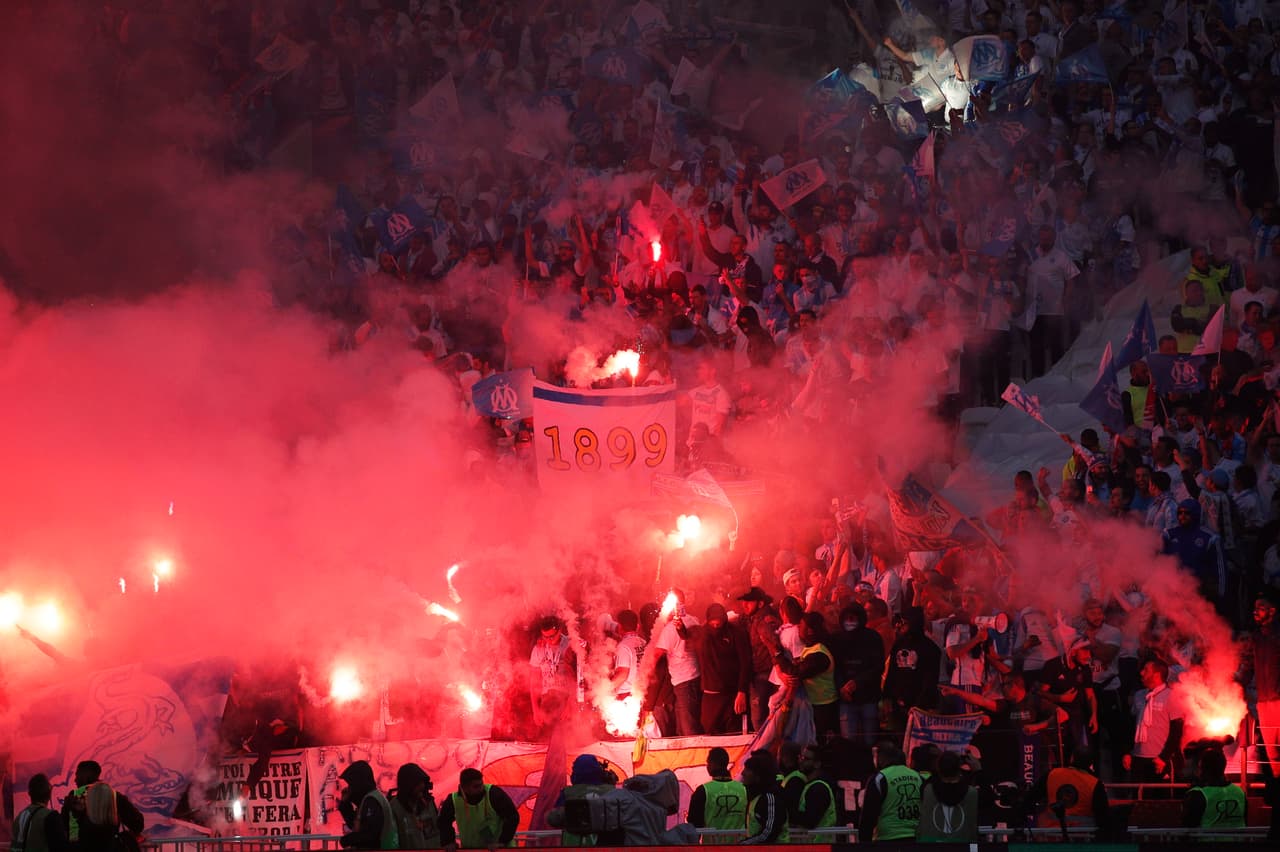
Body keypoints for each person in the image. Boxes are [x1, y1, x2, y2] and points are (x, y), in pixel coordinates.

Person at [769, 611, 840, 741]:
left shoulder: (819, 655)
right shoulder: (812, 648)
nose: (798, 628)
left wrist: (778, 653)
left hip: (823, 707)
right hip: (816, 704)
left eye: (801, 626)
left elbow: (795, 672)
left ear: (810, 631)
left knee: (820, 743)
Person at [828, 602, 885, 744]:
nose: (850, 622)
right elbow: (835, 668)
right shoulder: (836, 639)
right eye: (847, 618)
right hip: (846, 699)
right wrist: (842, 687)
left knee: (870, 742)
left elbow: (878, 667)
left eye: (853, 618)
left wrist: (856, 683)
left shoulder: (872, 638)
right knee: (848, 743)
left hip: (869, 698)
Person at [650, 589, 703, 736]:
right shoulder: (693, 619)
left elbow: (656, 656)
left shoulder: (670, 628)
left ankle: (695, 758)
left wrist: (645, 682)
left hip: (684, 681)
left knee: (688, 728)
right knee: (683, 726)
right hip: (693, 677)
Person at [1123, 658, 1184, 784]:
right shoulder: (1139, 695)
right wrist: (1127, 752)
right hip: (1138, 758)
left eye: (1146, 670)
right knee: (1138, 798)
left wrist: (1164, 757)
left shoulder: (1172, 696)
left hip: (1159, 760)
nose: (1141, 673)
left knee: (1159, 799)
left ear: (1156, 675)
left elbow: (1176, 731)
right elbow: (1131, 726)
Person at [695, 603, 752, 734]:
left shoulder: (736, 633)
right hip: (710, 695)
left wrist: (742, 691)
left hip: (731, 694)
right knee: (709, 732)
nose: (716, 627)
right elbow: (687, 635)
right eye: (713, 624)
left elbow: (745, 662)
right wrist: (680, 627)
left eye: (718, 624)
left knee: (733, 732)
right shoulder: (703, 633)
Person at [62, 761, 143, 851]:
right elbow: (137, 824)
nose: (75, 780)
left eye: (77, 775)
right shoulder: (115, 796)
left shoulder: (74, 796)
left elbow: (63, 826)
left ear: (85, 775)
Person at [439, 768, 519, 851]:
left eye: (481, 784)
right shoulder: (453, 800)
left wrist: (502, 841)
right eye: (476, 786)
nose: (481, 788)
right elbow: (444, 821)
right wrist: (448, 841)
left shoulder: (493, 793)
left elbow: (512, 816)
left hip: (499, 849)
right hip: (471, 849)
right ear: (464, 787)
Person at [858, 742, 922, 842]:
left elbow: (868, 818)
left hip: (888, 839)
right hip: (916, 838)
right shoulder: (918, 777)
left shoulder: (879, 778)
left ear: (880, 758)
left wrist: (864, 845)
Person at [915, 751, 978, 842]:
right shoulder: (971, 793)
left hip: (930, 845)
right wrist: (977, 771)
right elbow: (988, 797)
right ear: (959, 767)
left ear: (938, 768)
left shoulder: (928, 790)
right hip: (962, 845)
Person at [688, 747, 746, 840]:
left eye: (708, 763)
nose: (707, 766)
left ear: (713, 764)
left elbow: (694, 825)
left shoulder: (703, 791)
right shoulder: (744, 789)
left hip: (712, 847)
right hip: (740, 846)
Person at [1182, 746, 1246, 830]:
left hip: (1208, 841)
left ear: (1202, 768)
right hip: (1240, 842)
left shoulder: (1197, 794)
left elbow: (1187, 826)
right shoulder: (1239, 792)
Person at [338, 760, 397, 850]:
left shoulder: (372, 801)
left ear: (358, 782)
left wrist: (347, 840)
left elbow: (370, 834)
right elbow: (356, 825)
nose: (349, 788)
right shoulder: (368, 799)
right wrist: (344, 804)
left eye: (351, 784)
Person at [741, 750, 788, 844]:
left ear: (758, 775)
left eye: (748, 769)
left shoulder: (770, 798)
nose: (743, 773)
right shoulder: (756, 797)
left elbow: (769, 832)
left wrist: (745, 844)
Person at [13, 774, 69, 852]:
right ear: (49, 794)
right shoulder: (51, 816)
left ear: (29, 793)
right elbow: (61, 847)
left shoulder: (19, 817)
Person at [390, 763, 440, 850]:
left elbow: (437, 831)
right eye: (417, 783)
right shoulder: (395, 807)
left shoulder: (428, 802)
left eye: (422, 782)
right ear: (407, 785)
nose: (422, 786)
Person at [793, 744, 839, 833]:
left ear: (817, 764)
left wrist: (789, 814)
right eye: (802, 757)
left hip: (820, 844)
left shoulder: (818, 788)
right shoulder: (810, 785)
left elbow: (810, 821)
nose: (801, 762)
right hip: (813, 844)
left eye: (806, 759)